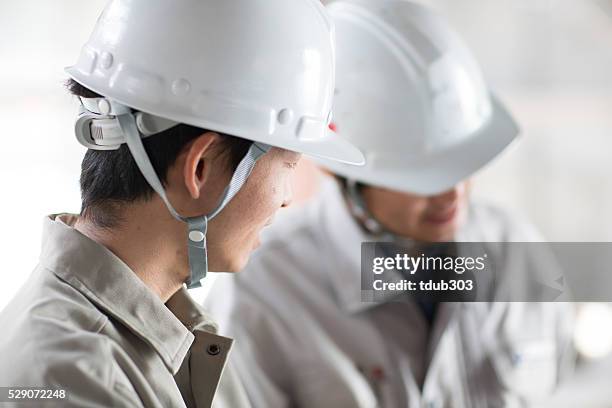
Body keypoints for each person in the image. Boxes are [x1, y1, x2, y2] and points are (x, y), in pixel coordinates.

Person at [205, 1, 574, 407]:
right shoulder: (264, 294)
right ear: (345, 174)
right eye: (423, 178)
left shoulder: (515, 250)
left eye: (460, 166)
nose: (452, 194)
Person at [0, 0, 365, 407]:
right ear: (201, 169)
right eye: (289, 165)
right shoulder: (74, 382)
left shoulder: (154, 336)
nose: (287, 198)